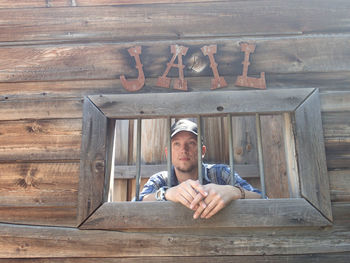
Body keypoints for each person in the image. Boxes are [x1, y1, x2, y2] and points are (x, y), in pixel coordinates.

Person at [139, 119, 262, 219]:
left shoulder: (221, 173)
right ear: (168, 153)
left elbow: (262, 199)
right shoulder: (160, 179)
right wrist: (167, 193)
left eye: (191, 143)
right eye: (177, 144)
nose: (184, 150)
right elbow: (137, 204)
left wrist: (233, 191)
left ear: (202, 151)